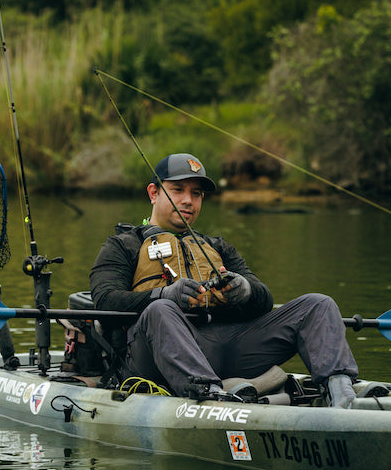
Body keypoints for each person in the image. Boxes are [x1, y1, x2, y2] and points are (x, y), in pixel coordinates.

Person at [89, 153, 358, 408]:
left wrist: (245, 290)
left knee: (318, 305)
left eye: (196, 194)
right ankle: (212, 397)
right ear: (153, 193)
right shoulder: (123, 245)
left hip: (225, 348)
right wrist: (163, 295)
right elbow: (104, 301)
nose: (188, 201)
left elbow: (264, 301)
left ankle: (341, 390)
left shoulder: (217, 246)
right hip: (152, 356)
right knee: (161, 310)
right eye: (178, 190)